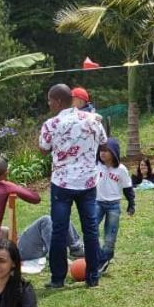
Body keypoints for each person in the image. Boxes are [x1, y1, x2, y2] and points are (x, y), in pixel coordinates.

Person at [39, 83, 106, 288]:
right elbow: (103, 142)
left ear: (58, 101)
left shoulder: (51, 124)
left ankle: (57, 279)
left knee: (59, 230)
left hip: (62, 184)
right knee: (91, 229)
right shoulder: (92, 119)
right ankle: (93, 277)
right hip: (87, 183)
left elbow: (43, 149)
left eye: (50, 100)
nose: (49, 104)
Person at [93, 143, 135, 278]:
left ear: (114, 153)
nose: (102, 153)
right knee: (90, 229)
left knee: (110, 237)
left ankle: (104, 260)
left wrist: (131, 203)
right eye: (101, 151)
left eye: (106, 151)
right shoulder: (95, 166)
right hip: (97, 203)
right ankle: (97, 256)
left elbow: (127, 188)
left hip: (113, 206)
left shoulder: (121, 169)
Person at [73, 86, 120, 158]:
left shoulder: (90, 116)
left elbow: (103, 141)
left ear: (80, 101)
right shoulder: (91, 114)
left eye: (72, 99)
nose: (70, 102)